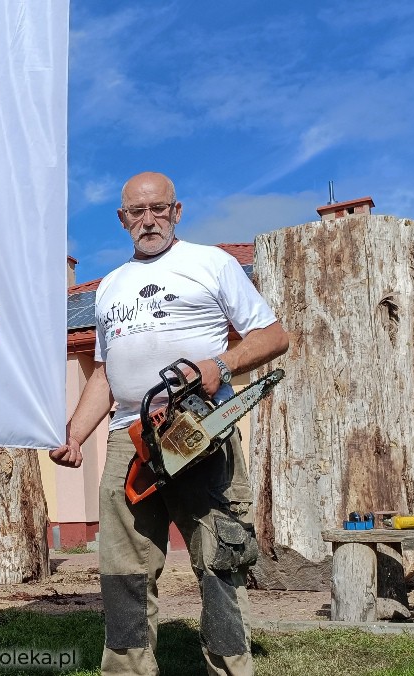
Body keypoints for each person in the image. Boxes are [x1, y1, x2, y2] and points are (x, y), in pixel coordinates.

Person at [49, 171, 289, 676]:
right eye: (137, 212)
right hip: (127, 438)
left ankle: (230, 666)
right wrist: (75, 434)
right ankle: (128, 668)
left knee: (220, 559)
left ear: (177, 212)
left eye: (159, 208)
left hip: (196, 430)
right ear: (122, 220)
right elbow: (106, 376)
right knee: (122, 569)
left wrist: (218, 366)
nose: (149, 219)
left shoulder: (210, 263)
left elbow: (273, 335)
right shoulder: (110, 287)